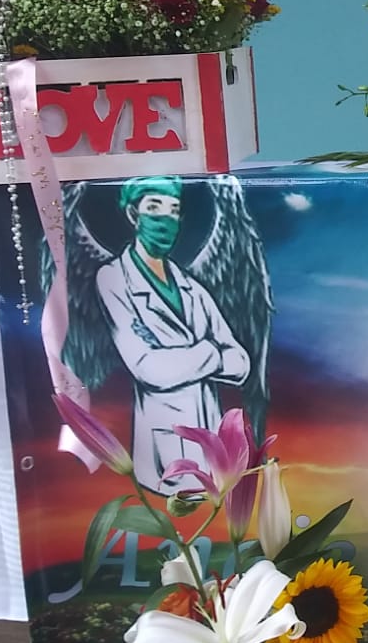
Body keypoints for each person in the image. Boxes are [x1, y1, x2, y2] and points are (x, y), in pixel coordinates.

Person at [93, 176, 253, 493]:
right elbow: (149, 368)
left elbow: (241, 363)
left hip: (213, 446)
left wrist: (188, 358)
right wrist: (210, 353)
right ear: (133, 214)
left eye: (173, 210)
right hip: (165, 449)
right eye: (154, 208)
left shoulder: (193, 289)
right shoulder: (113, 278)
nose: (164, 220)